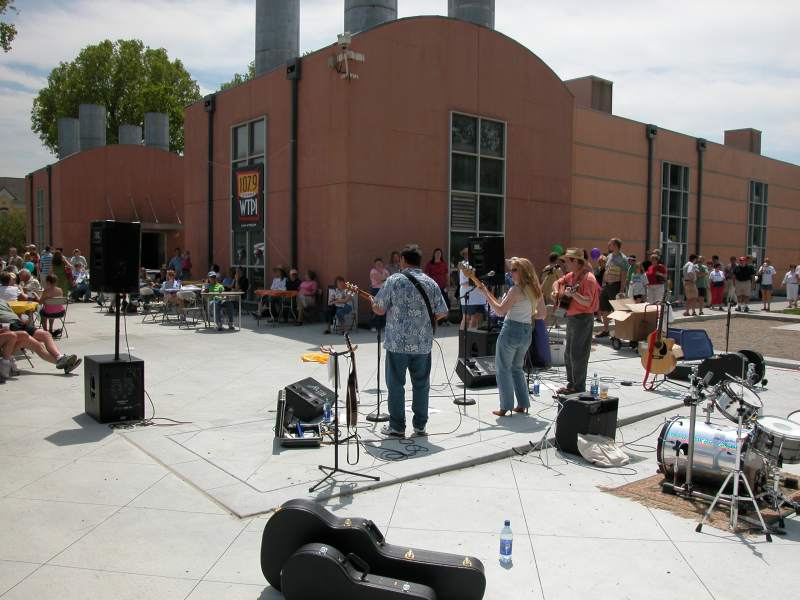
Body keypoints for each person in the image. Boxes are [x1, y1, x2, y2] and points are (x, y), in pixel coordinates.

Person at [370, 245, 448, 437]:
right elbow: (443, 312)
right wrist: (423, 321)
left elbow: (379, 309)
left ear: (403, 260)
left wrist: (373, 303)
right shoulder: (430, 283)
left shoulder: (394, 280)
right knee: (421, 384)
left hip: (397, 343)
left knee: (396, 384)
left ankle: (397, 426)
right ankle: (420, 425)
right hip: (422, 343)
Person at [476, 257, 541, 417]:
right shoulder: (534, 288)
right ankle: (523, 403)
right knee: (517, 368)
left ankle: (505, 407)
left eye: (514, 270)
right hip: (526, 331)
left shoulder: (516, 290)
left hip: (512, 329)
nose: (510, 273)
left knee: (503, 369)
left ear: (522, 272)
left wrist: (485, 293)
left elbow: (500, 311)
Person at [552, 248, 599, 394]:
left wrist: (574, 295)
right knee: (568, 354)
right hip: (572, 318)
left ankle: (578, 388)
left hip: (583, 319)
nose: (565, 264)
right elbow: (557, 283)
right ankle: (571, 384)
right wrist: (556, 292)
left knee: (578, 354)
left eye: (567, 261)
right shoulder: (571, 275)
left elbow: (587, 302)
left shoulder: (588, 278)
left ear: (576, 262)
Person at [0, 299, 81, 374]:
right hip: (8, 326)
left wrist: (21, 318)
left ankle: (60, 358)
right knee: (38, 345)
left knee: (46, 335)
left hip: (18, 323)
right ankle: (64, 363)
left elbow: (11, 313)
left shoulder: (3, 301)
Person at [596, 238, 627, 338]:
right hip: (606, 286)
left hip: (616, 286)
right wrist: (603, 284)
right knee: (604, 308)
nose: (608, 244)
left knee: (617, 309)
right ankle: (606, 330)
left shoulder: (623, 259)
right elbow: (606, 270)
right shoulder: (609, 256)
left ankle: (618, 333)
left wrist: (621, 290)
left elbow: (624, 274)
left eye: (611, 243)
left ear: (615, 245)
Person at [458, 247, 486, 329]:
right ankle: (463, 339)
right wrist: (477, 283)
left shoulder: (480, 264)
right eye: (466, 254)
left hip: (480, 296)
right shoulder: (464, 264)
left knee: (476, 318)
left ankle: (473, 339)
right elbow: (463, 283)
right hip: (469, 295)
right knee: (466, 318)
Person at [424, 249, 451, 325]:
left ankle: (445, 320)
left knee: (446, 303)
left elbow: (447, 275)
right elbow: (426, 275)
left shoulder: (443, 263)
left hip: (443, 287)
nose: (438, 254)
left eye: (439, 253)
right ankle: (437, 321)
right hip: (433, 287)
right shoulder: (430, 264)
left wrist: (448, 284)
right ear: (434, 254)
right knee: (434, 304)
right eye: (436, 253)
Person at [369, 258, 390, 332]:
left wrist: (386, 278)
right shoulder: (373, 271)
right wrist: (385, 278)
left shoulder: (386, 271)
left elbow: (388, 280)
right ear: (374, 265)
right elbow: (382, 279)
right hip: (376, 290)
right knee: (375, 307)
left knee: (384, 308)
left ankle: (383, 325)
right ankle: (374, 325)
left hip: (384, 290)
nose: (379, 265)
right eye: (377, 264)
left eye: (380, 263)